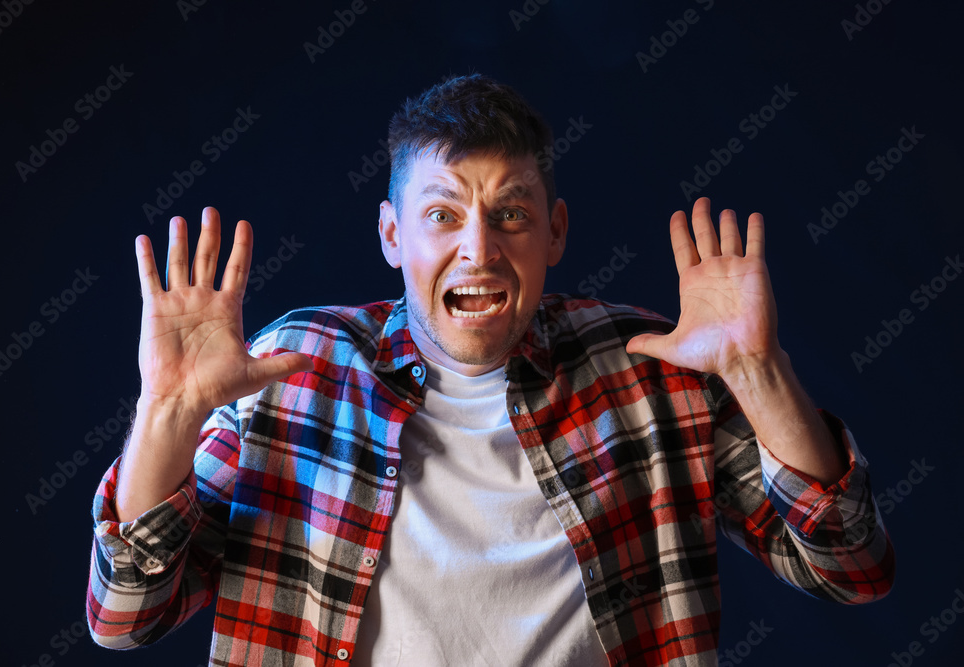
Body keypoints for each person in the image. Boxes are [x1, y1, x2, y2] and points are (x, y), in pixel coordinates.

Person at [87, 74, 894, 667]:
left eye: (510, 212)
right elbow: (125, 615)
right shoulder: (290, 374)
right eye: (442, 214)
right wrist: (169, 410)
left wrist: (758, 372)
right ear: (392, 235)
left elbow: (852, 568)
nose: (479, 247)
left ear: (555, 231)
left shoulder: (650, 371)